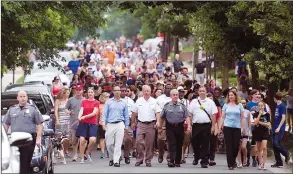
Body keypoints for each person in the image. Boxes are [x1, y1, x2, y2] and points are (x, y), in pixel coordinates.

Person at [3, 90, 44, 174]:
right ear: (17, 98)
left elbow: (39, 124)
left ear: (27, 98)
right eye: (20, 97)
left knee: (25, 162)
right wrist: (3, 138)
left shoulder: (33, 109)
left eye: (24, 96)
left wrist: (38, 138)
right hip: (14, 140)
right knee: (14, 162)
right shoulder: (12, 110)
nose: (22, 98)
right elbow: (6, 125)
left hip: (28, 140)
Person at [131, 85, 161, 167]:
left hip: (151, 124)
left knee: (150, 143)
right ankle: (139, 159)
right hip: (140, 124)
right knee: (138, 142)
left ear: (151, 92)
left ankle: (148, 160)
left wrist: (158, 121)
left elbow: (157, 112)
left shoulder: (154, 101)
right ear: (142, 92)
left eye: (148, 91)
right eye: (145, 91)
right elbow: (134, 112)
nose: (146, 92)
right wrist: (133, 122)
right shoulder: (138, 101)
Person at [160, 89, 191, 167]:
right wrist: (160, 127)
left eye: (176, 95)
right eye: (174, 95)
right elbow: (162, 117)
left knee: (179, 143)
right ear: (171, 96)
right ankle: (171, 160)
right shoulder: (167, 106)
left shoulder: (182, 106)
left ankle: (177, 161)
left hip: (180, 126)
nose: (175, 96)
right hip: (170, 127)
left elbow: (187, 116)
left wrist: (189, 126)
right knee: (172, 143)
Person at [188, 86, 218, 168]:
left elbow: (214, 115)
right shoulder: (194, 102)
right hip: (196, 125)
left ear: (206, 92)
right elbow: (190, 114)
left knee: (205, 143)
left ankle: (204, 161)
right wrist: (190, 125)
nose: (202, 92)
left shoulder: (210, 102)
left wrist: (213, 126)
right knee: (195, 143)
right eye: (200, 91)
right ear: (198, 92)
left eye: (203, 91)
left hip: (206, 125)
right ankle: (196, 156)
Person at [102, 85, 129, 167]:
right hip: (110, 124)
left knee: (118, 143)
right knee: (109, 144)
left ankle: (116, 160)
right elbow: (104, 114)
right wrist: (103, 123)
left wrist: (126, 126)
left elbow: (126, 115)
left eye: (118, 90)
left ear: (120, 92)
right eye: (115, 90)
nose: (117, 92)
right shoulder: (108, 102)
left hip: (120, 124)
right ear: (113, 92)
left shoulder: (124, 102)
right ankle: (111, 158)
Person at [219, 90, 246, 170]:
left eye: (232, 95)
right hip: (227, 127)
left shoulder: (239, 105)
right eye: (229, 95)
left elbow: (242, 117)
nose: (230, 97)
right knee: (229, 146)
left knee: (235, 146)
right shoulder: (226, 105)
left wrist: (243, 127)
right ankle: (230, 164)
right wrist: (220, 126)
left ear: (235, 96)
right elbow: (223, 117)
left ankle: (233, 160)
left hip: (237, 127)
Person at [76, 87, 99, 163]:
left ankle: (87, 152)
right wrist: (79, 116)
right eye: (89, 92)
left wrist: (85, 116)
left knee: (92, 140)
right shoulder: (84, 101)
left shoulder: (96, 102)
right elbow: (81, 110)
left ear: (94, 93)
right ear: (87, 93)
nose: (90, 94)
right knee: (82, 140)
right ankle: (82, 158)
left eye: (91, 92)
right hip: (83, 123)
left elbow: (94, 113)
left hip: (92, 123)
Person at [271, 92, 291, 168]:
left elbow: (283, 117)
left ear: (275, 98)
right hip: (275, 127)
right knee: (274, 145)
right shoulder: (277, 105)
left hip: (280, 128)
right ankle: (279, 162)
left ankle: (286, 153)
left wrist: (279, 127)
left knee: (277, 143)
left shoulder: (282, 106)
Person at [66, 84, 84, 161]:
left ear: (82, 90)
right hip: (73, 122)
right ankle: (75, 154)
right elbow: (66, 109)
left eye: (80, 90)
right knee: (74, 140)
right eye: (77, 90)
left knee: (83, 139)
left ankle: (82, 154)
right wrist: (69, 112)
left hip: (83, 122)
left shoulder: (84, 100)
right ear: (75, 91)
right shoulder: (70, 100)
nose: (78, 91)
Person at [156, 83, 173, 163]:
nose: (169, 89)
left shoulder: (175, 97)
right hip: (162, 120)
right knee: (161, 139)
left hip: (171, 121)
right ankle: (161, 153)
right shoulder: (159, 98)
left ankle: (169, 157)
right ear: (164, 89)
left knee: (171, 140)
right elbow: (156, 110)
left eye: (170, 88)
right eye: (167, 88)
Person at [253, 101, 271, 170]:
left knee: (264, 147)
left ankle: (264, 163)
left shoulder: (267, 114)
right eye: (259, 106)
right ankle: (260, 163)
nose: (260, 107)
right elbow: (255, 123)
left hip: (265, 132)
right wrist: (259, 115)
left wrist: (260, 122)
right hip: (258, 132)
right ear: (258, 107)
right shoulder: (255, 114)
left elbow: (268, 124)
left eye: (262, 105)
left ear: (264, 106)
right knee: (259, 149)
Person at [54, 87, 71, 161]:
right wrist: (57, 120)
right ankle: (60, 152)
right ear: (63, 93)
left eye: (68, 93)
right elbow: (55, 111)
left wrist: (70, 112)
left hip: (68, 121)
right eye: (67, 93)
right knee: (59, 138)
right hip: (60, 120)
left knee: (67, 138)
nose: (68, 94)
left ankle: (66, 149)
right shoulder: (58, 101)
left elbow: (71, 110)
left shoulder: (69, 101)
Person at [120, 85, 135, 164]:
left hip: (127, 122)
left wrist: (133, 122)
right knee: (117, 140)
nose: (123, 92)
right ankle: (118, 156)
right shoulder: (115, 100)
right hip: (118, 122)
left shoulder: (130, 101)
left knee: (128, 139)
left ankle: (126, 155)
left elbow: (133, 112)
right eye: (121, 90)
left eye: (124, 91)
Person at [237, 99, 251, 168]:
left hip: (245, 131)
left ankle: (245, 157)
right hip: (237, 131)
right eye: (242, 103)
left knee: (243, 147)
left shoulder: (247, 112)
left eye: (244, 103)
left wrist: (250, 132)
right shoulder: (237, 111)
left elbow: (249, 123)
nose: (243, 104)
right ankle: (240, 162)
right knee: (238, 148)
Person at [98, 92, 110, 159]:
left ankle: (109, 151)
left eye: (108, 97)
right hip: (101, 123)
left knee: (109, 138)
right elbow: (98, 115)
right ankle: (102, 152)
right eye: (106, 97)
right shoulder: (100, 106)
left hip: (109, 123)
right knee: (102, 138)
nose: (107, 98)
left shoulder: (110, 105)